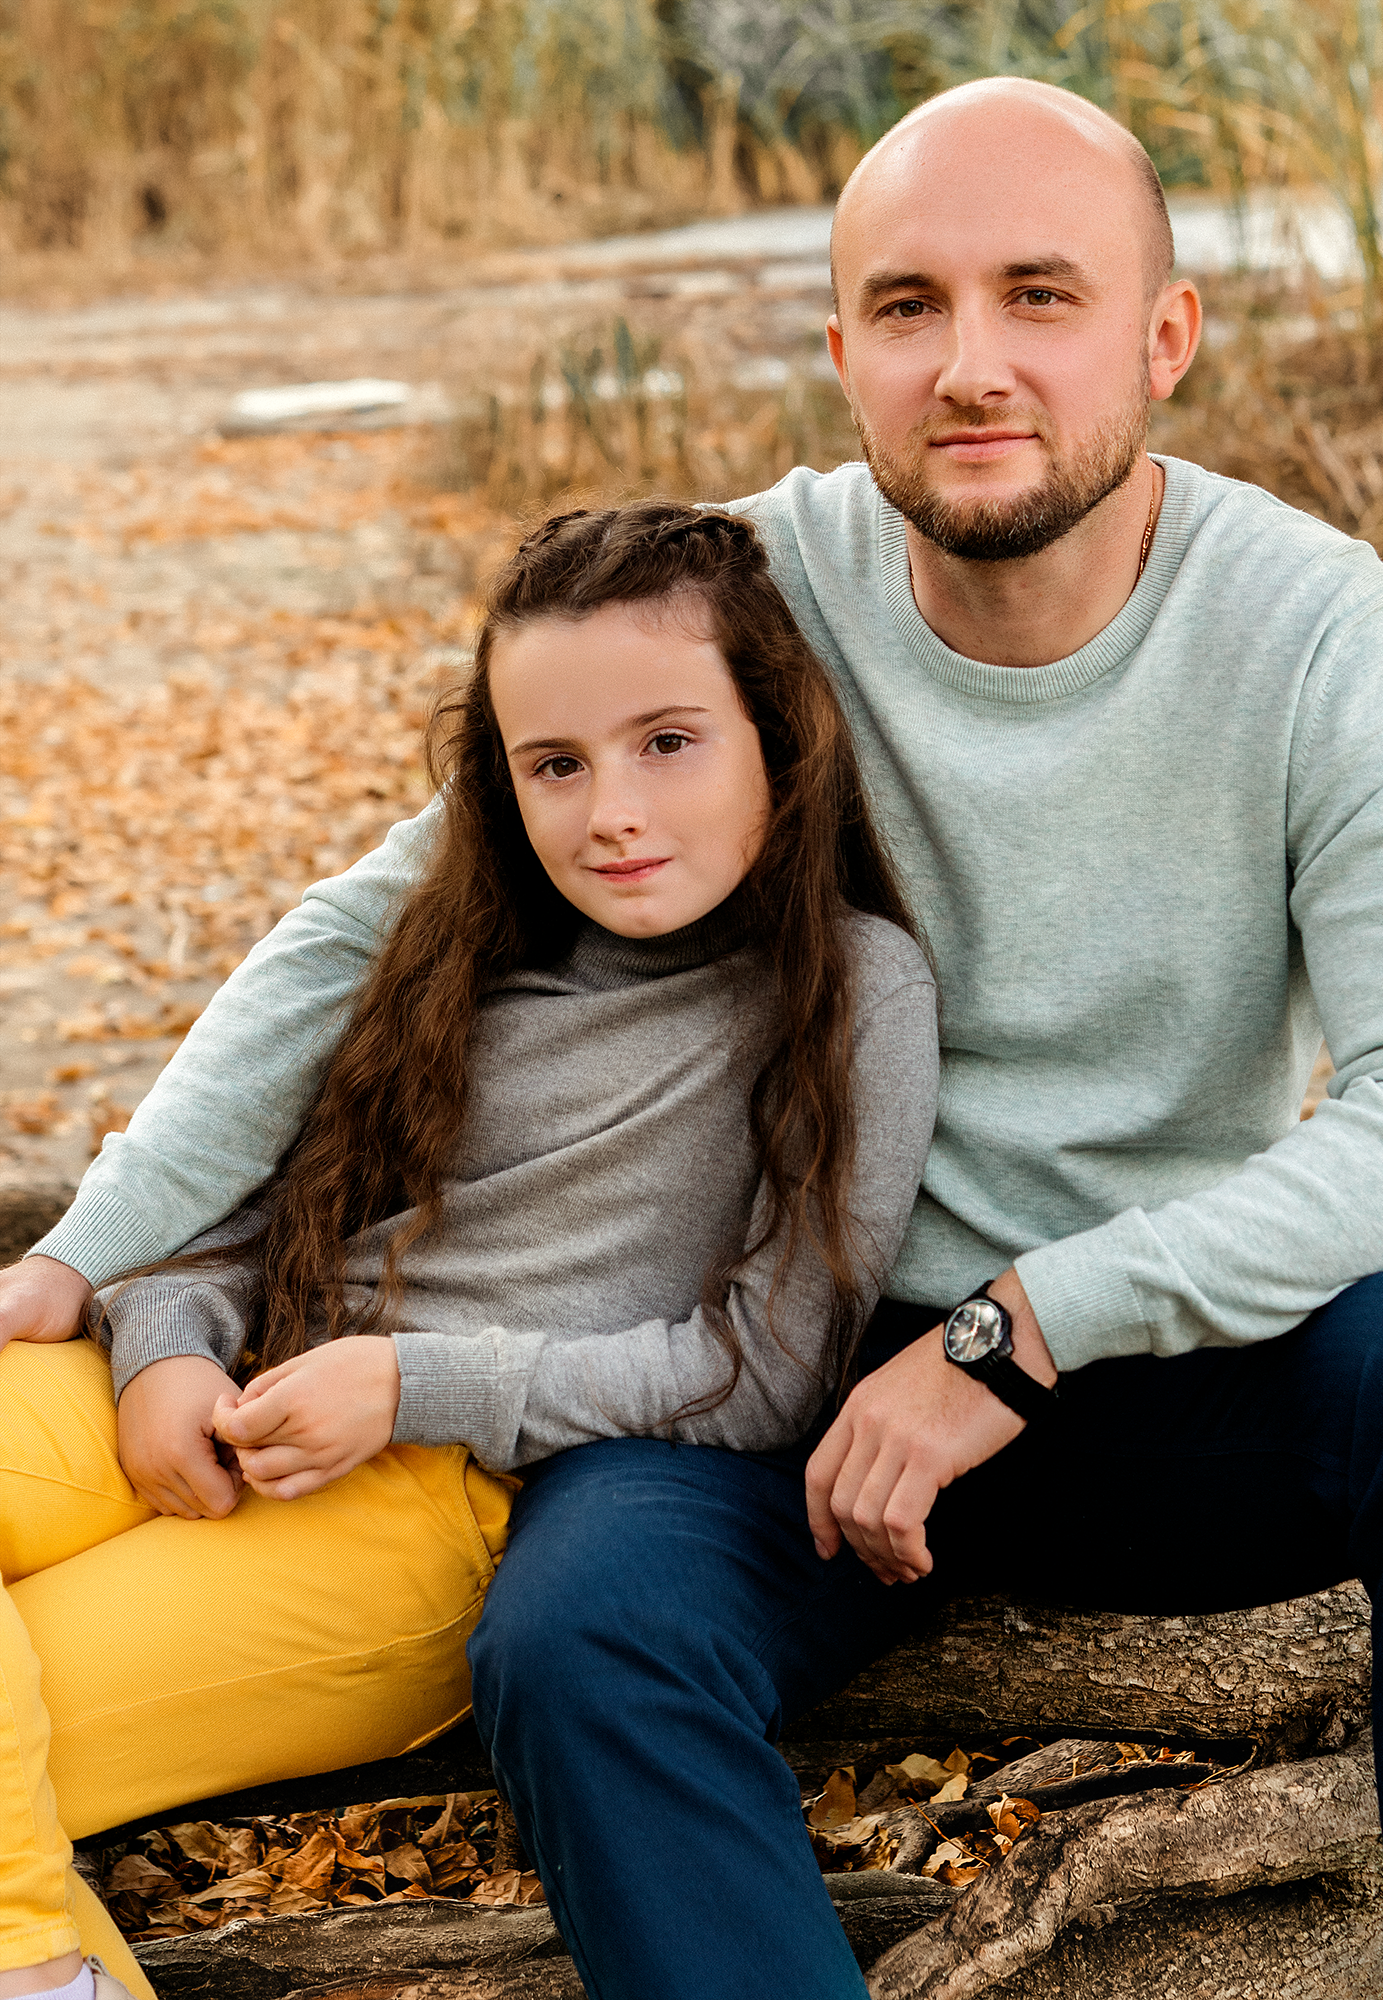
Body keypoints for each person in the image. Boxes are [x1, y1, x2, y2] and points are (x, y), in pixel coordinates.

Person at [3, 75, 1383, 2000]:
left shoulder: (1319, 638)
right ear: (844, 354)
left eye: (1042, 295)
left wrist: (1023, 1329)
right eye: (909, 306)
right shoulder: (760, 590)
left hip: (1148, 1356)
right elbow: (370, 924)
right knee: (582, 1636)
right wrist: (100, 1251)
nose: (972, 364)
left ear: (1167, 335)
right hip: (761, 1363)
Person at [0, 504, 939, 2000]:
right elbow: (251, 1207)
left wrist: (410, 1384)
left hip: (424, 1501)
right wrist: (164, 1347)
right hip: (193, 1387)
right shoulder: (457, 942)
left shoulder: (849, 990)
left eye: (668, 744)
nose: (611, 812)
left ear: (779, 735)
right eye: (555, 764)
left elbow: (766, 1373)